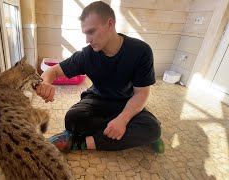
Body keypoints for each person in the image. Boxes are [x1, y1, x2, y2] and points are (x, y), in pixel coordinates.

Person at [36, 1, 164, 153]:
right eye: (85, 33)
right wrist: (45, 84)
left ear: (110, 24)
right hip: (97, 100)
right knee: (73, 119)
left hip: (126, 102)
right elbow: (52, 72)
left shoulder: (141, 51)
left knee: (152, 128)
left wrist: (123, 119)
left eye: (91, 32)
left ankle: (78, 142)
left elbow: (142, 93)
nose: (87, 40)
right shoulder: (87, 54)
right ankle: (129, 134)